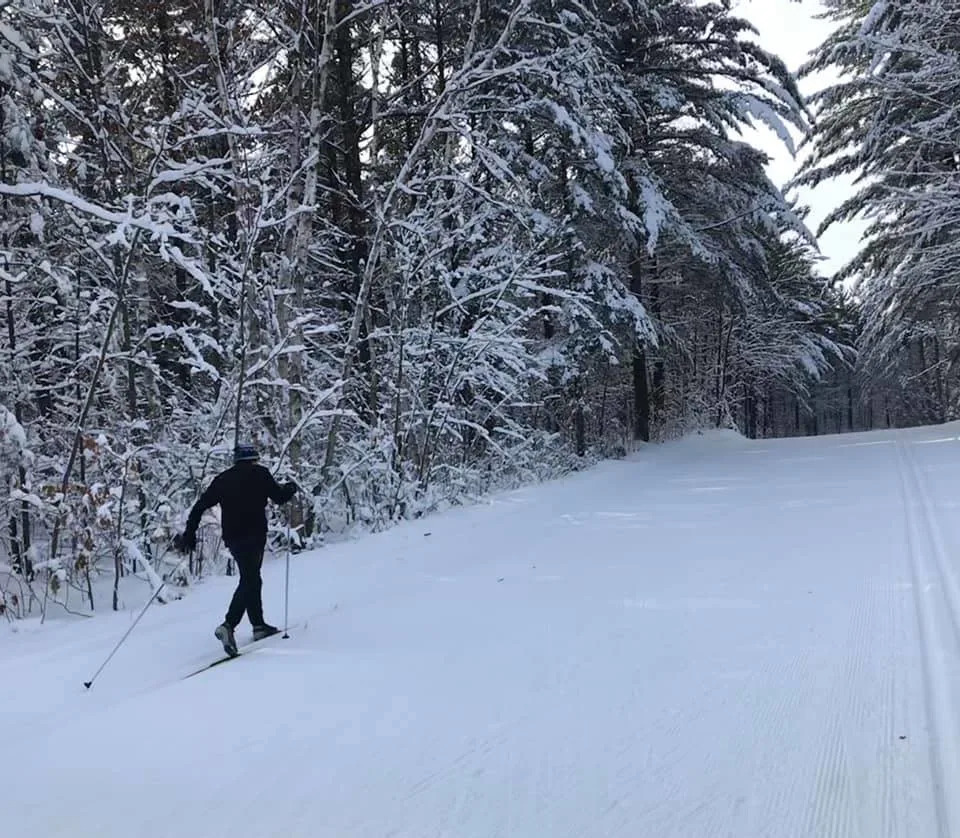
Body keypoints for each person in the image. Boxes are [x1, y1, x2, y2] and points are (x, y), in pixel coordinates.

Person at [174, 443, 297, 656]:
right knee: (250, 579)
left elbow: (199, 507)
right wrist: (290, 488)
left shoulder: (223, 479)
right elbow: (279, 497)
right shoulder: (260, 474)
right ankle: (228, 625)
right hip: (255, 535)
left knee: (251, 578)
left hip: (234, 538)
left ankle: (258, 625)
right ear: (254, 458)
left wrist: (189, 534)